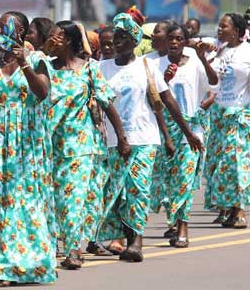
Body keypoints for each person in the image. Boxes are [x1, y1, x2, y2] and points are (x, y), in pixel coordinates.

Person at [96, 13, 203, 263]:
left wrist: (187, 133)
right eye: (116, 36)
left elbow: (166, 101)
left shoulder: (147, 66)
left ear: (134, 40)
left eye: (123, 37)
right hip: (114, 140)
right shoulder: (102, 68)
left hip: (144, 138)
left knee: (139, 188)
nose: (117, 41)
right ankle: (122, 236)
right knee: (120, 192)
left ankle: (137, 241)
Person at [0, 0, 56, 286]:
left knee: (23, 201)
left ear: (20, 31)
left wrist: (23, 63)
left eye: (5, 26)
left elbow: (42, 92)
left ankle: (16, 267)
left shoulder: (39, 58)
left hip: (26, 142)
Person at [46, 20, 130, 269]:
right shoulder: (45, 69)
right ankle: (50, 248)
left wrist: (122, 138)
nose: (53, 41)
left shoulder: (90, 69)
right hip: (48, 145)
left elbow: (107, 103)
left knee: (74, 199)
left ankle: (73, 249)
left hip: (80, 145)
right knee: (51, 199)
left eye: (57, 37)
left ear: (70, 41)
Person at [155, 24, 218, 247]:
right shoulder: (156, 64)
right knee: (169, 183)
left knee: (185, 180)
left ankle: (183, 227)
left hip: (191, 132)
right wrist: (165, 78)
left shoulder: (193, 63)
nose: (174, 42)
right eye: (171, 38)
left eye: (179, 39)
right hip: (165, 131)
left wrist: (202, 58)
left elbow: (213, 83)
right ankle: (173, 223)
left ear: (185, 42)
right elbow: (155, 101)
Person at [204, 13, 250, 228]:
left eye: (224, 26)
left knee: (236, 163)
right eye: (219, 26)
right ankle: (229, 209)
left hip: (239, 115)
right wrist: (205, 57)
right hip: (217, 116)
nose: (219, 29)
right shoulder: (217, 50)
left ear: (237, 30)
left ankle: (240, 210)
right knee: (218, 165)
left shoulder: (247, 51)